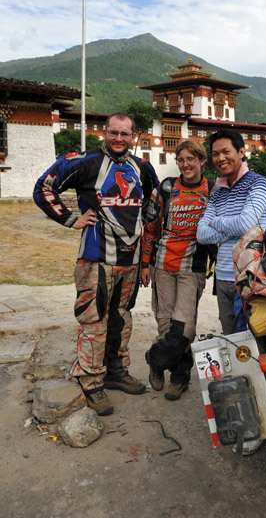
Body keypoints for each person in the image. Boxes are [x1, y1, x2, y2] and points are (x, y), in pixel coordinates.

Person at [33, 112, 158, 416]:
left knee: (121, 318)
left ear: (134, 137)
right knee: (94, 320)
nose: (119, 138)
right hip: (96, 259)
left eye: (125, 134)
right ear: (104, 133)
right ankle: (90, 381)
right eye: (113, 133)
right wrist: (71, 219)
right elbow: (44, 188)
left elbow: (153, 199)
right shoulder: (83, 161)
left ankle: (116, 372)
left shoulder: (141, 167)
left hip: (129, 260)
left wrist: (145, 229)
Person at [141, 140, 216, 401]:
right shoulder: (166, 188)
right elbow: (150, 227)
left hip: (192, 267)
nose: (185, 164)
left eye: (191, 159)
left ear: (202, 161)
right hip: (162, 264)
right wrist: (145, 263)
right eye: (181, 159)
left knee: (184, 329)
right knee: (165, 325)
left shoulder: (214, 190)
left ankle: (155, 359)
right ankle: (180, 378)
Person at [197, 129, 266, 336]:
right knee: (230, 335)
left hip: (251, 274)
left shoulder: (259, 183)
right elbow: (201, 234)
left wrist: (216, 221)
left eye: (226, 152)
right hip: (222, 275)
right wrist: (233, 231)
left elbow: (245, 225)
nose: (220, 158)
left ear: (240, 152)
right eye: (215, 154)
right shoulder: (217, 191)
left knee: (253, 335)